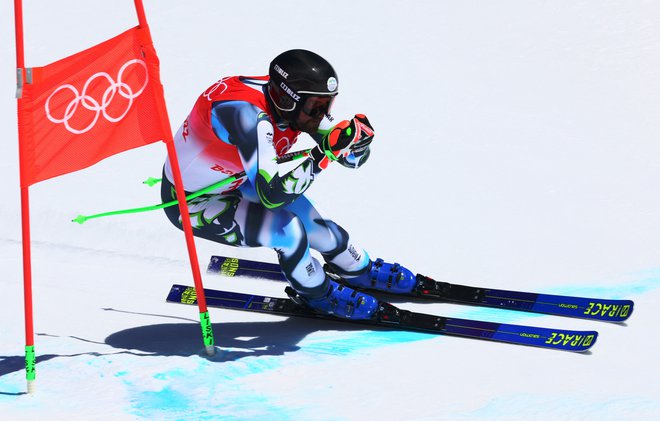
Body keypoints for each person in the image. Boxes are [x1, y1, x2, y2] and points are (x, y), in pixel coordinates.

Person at [162, 49, 417, 320]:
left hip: (236, 180)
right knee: (290, 232)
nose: (321, 115)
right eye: (316, 108)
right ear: (286, 99)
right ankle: (317, 294)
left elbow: (349, 157)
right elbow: (272, 195)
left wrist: (355, 144)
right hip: (193, 201)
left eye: (326, 105)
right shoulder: (247, 117)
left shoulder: (297, 104)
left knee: (313, 221)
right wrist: (324, 155)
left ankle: (357, 268)